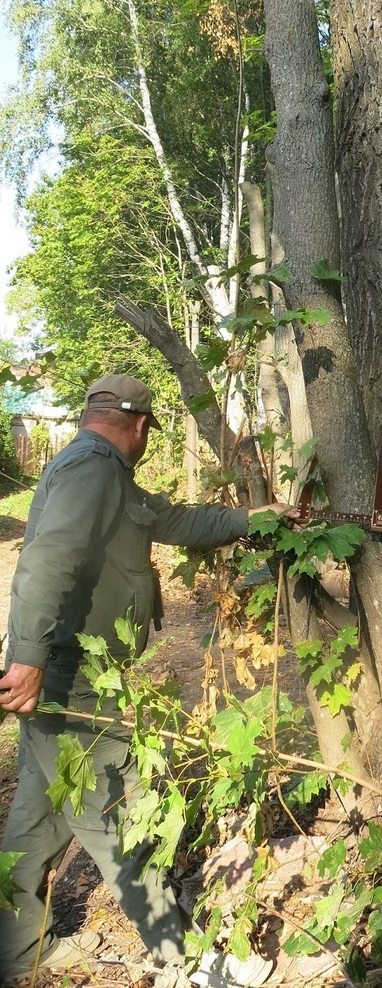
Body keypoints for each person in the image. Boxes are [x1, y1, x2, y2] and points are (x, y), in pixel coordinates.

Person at [0, 375, 295, 987]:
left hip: (69, 675)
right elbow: (46, 557)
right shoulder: (91, 470)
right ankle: (183, 956)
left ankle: (11, 950)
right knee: (116, 809)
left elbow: (172, 520)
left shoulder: (104, 472)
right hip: (71, 679)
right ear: (137, 425)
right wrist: (26, 657)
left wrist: (254, 517)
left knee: (40, 815)